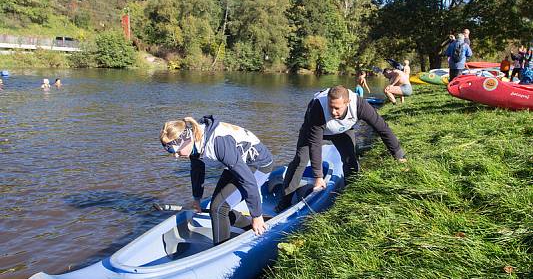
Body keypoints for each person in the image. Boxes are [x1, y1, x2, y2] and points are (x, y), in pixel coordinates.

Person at [276, 85, 406, 211]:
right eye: (331, 107)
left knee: (351, 160)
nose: (333, 112)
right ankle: (284, 203)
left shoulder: (360, 106)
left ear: (347, 102)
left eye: (337, 108)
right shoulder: (318, 107)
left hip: (343, 130)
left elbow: (382, 128)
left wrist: (398, 155)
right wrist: (318, 177)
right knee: (300, 160)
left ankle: (350, 196)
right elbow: (315, 144)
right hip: (314, 130)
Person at [159, 115, 273, 245]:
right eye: (172, 153)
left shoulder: (218, 143)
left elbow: (248, 181)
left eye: (177, 151)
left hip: (258, 165)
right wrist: (197, 198)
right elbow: (197, 170)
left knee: (218, 208)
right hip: (236, 163)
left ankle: (221, 248)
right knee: (218, 206)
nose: (176, 156)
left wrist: (256, 215)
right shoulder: (195, 141)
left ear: (187, 140)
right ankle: (248, 226)